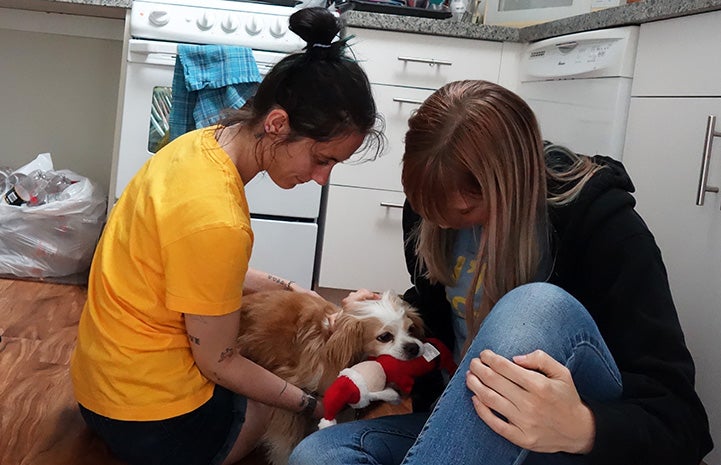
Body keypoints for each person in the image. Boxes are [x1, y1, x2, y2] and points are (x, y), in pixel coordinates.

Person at [288, 80, 713, 465]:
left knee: (533, 305)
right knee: (320, 455)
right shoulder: (430, 212)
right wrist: (389, 313)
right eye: (428, 210)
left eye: (465, 213)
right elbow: (446, 309)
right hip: (467, 427)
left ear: (508, 186)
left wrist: (583, 427)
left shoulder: (605, 228)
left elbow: (683, 425)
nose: (444, 224)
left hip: (566, 437)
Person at [70, 8, 382, 465]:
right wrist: (308, 403)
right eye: (321, 158)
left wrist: (296, 291)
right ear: (276, 124)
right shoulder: (219, 221)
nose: (321, 178)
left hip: (97, 390)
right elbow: (218, 362)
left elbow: (202, 269)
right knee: (274, 397)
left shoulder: (193, 146)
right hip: (152, 424)